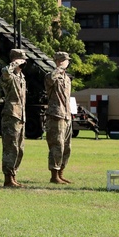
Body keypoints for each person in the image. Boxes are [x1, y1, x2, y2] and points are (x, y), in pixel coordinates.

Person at [0, 48, 28, 188]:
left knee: (20, 148)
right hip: (11, 115)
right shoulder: (9, 76)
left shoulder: (21, 77)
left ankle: (13, 175)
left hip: (21, 116)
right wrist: (14, 63)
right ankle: (8, 178)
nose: (23, 63)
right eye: (21, 60)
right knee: (11, 147)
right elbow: (5, 71)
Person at [45, 51, 73, 184]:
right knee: (57, 145)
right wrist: (59, 68)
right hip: (56, 115)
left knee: (67, 147)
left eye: (66, 60)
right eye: (62, 60)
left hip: (66, 115)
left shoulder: (67, 78)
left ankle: (61, 172)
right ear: (56, 61)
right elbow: (50, 78)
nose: (65, 62)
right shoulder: (51, 76)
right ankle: (54, 174)